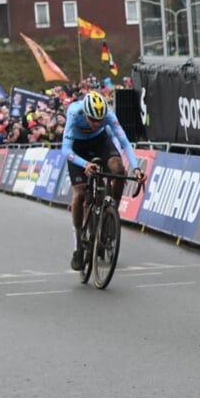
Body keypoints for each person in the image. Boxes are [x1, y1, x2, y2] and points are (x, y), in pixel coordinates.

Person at [61, 90, 145, 270]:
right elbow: (66, 151)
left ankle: (111, 209)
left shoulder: (108, 115)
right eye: (93, 120)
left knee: (119, 169)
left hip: (100, 141)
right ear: (86, 113)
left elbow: (125, 143)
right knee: (81, 194)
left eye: (100, 120)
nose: (97, 123)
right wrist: (84, 164)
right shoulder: (74, 113)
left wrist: (136, 168)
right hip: (77, 148)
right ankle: (77, 247)